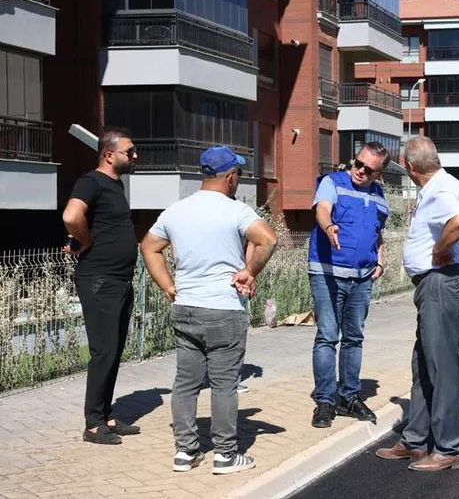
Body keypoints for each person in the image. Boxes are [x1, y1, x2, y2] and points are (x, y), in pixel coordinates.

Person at [140, 146, 278, 475]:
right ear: (230, 177)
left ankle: (186, 453)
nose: (238, 180)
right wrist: (249, 272)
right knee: (223, 384)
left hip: (186, 306)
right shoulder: (235, 211)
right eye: (238, 175)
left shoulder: (176, 211)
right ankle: (226, 455)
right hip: (223, 309)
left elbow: (149, 247)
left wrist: (168, 286)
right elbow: (268, 240)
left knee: (185, 383)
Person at [375, 136, 459, 471]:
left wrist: (438, 251)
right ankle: (415, 440)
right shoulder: (439, 186)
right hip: (435, 285)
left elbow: (458, 221)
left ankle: (448, 449)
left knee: (441, 366)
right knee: (424, 364)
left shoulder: (443, 190)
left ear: (410, 166)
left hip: (439, 284)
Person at [62, 127, 141, 445]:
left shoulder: (115, 185)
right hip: (100, 280)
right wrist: (86, 240)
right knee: (103, 351)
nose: (135, 156)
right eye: (130, 151)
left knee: (114, 351)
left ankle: (106, 415)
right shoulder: (91, 182)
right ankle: (93, 424)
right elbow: (71, 216)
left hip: (118, 280)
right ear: (109, 155)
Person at [308, 141, 391, 428]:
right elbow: (322, 209)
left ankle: (350, 397)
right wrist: (328, 226)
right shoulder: (333, 182)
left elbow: (378, 232)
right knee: (328, 336)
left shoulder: (379, 196)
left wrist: (380, 260)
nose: (360, 171)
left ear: (378, 175)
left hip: (362, 277)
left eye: (368, 170)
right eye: (357, 163)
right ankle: (325, 401)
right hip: (327, 273)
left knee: (354, 338)